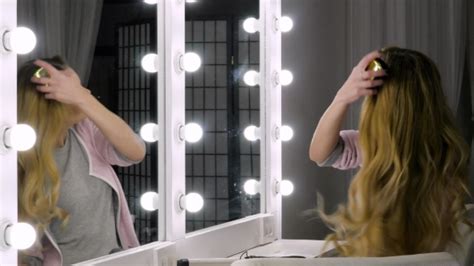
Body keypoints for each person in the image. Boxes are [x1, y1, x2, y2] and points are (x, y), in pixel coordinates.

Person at [309, 47, 472, 257]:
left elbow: (320, 156)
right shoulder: (448, 150)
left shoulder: (369, 147)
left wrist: (342, 97)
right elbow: (320, 154)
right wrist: (342, 97)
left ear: (376, 105)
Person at [17, 56, 146, 265]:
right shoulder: (19, 154)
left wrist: (83, 100)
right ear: (51, 103)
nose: (86, 92)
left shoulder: (84, 133)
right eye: (75, 89)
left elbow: (136, 152)